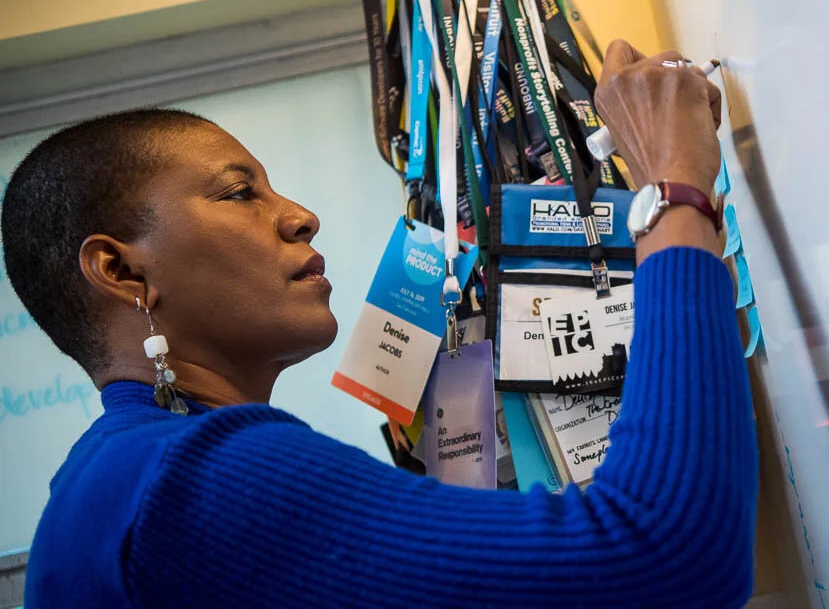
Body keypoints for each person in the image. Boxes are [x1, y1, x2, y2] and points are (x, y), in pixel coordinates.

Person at [2, 40, 758, 608]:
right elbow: (665, 555)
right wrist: (672, 186)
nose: (300, 215)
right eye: (240, 194)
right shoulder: (189, 480)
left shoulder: (105, 484)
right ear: (122, 271)